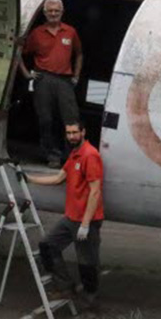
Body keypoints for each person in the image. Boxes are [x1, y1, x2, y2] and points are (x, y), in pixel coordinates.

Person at [23, 121, 104, 308]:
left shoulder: (90, 155)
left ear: (83, 132)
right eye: (68, 133)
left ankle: (90, 304)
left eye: (75, 132)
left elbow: (95, 191)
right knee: (47, 246)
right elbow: (59, 178)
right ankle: (66, 286)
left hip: (87, 221)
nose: (71, 136)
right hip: (71, 217)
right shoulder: (74, 155)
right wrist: (29, 178)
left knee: (87, 263)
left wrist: (85, 224)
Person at [20, 0, 83, 168]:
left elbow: (79, 54)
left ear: (62, 12)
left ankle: (72, 156)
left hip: (64, 80)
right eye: (50, 11)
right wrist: (26, 74)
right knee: (46, 119)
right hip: (43, 79)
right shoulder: (37, 33)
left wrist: (76, 76)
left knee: (71, 120)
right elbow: (19, 52)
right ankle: (52, 155)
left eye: (56, 10)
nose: (53, 13)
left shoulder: (70, 32)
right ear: (45, 13)